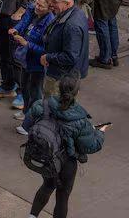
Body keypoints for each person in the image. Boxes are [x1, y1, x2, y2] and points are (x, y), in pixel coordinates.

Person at [22, 75, 106, 218]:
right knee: (62, 196)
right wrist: (100, 132)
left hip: (47, 156)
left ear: (59, 89)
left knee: (47, 186)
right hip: (66, 163)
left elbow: (26, 125)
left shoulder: (43, 105)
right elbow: (91, 146)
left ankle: (32, 216)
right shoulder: (80, 120)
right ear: (77, 93)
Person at [12, 0, 55, 116]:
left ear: (49, 8)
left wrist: (27, 44)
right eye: (37, 3)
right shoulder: (33, 11)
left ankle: (33, 117)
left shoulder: (49, 23)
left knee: (35, 91)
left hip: (38, 63)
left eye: (41, 6)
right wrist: (17, 29)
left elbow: (47, 50)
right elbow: (24, 22)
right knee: (24, 86)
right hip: (27, 59)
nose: (37, 7)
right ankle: (26, 111)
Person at [42, 0, 90, 94]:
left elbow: (70, 56)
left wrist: (48, 57)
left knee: (51, 106)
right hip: (65, 73)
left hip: (61, 77)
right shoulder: (74, 12)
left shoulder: (72, 25)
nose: (51, 5)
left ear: (67, 3)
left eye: (55, 2)